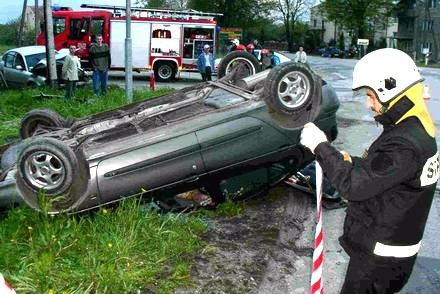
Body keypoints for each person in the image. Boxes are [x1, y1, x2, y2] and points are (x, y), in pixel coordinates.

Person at [300, 48, 438, 293]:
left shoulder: (405, 142)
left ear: (389, 88)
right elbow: (382, 172)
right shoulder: (412, 128)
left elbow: (355, 186)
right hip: (388, 255)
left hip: (378, 263)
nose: (368, 102)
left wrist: (320, 146)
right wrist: (347, 160)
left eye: (371, 95)